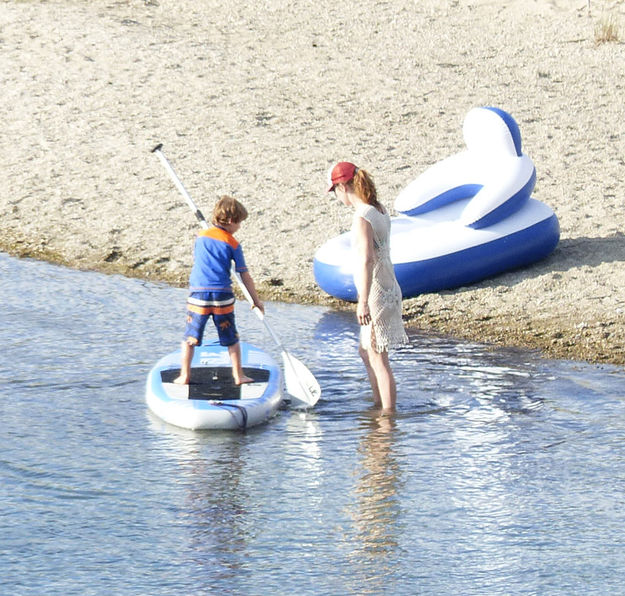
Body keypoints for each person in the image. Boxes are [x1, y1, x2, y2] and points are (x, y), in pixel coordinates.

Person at [327, 162, 408, 411]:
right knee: (367, 352)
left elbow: (366, 259)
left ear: (343, 187)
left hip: (376, 291)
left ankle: (387, 414)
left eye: (336, 191)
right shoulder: (379, 209)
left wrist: (362, 300)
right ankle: (378, 405)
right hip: (389, 284)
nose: (338, 197)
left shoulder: (362, 216)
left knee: (377, 356)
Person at [173, 195, 264, 385]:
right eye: (239, 223)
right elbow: (243, 275)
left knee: (190, 337)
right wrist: (256, 301)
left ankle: (184, 375)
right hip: (222, 295)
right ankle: (238, 375)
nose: (239, 227)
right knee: (231, 338)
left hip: (199, 294)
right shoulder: (233, 243)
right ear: (230, 221)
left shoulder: (200, 236)